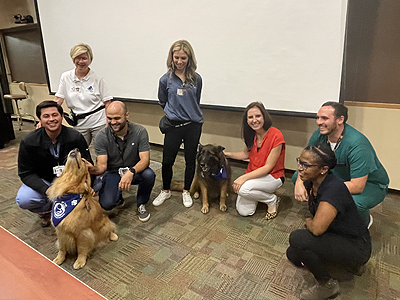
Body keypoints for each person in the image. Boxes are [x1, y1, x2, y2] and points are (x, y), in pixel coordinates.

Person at [287, 143, 371, 300]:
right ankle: (343, 267)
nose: (300, 168)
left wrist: (308, 221)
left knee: (297, 238)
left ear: (323, 169)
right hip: (335, 234)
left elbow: (317, 229)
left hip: (357, 246)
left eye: (306, 165)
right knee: (293, 253)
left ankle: (328, 285)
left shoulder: (334, 189)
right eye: (300, 161)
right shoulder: (311, 182)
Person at [292, 101, 389, 227]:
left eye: (325, 118)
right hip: (338, 177)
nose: (318, 122)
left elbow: (357, 186)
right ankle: (326, 213)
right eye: (318, 117)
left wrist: (324, 191)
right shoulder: (320, 134)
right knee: (297, 177)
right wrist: (299, 182)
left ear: (340, 119)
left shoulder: (358, 145)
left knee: (352, 202)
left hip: (369, 184)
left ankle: (364, 221)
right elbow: (306, 161)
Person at [16, 101, 92, 227]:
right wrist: (47, 189)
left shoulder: (75, 137)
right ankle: (47, 212)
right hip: (45, 181)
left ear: (62, 117)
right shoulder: (28, 142)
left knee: (98, 185)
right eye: (46, 116)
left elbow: (87, 164)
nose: (51, 119)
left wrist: (87, 186)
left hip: (71, 181)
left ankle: (70, 211)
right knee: (24, 199)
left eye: (55, 115)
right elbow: (25, 173)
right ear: (39, 119)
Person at [152, 40, 203, 208]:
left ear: (189, 58)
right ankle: (165, 190)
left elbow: (196, 101)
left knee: (190, 160)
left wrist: (187, 112)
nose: (180, 62)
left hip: (193, 125)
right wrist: (174, 112)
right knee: (167, 161)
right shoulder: (165, 80)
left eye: (183, 58)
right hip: (173, 125)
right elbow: (162, 100)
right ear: (171, 58)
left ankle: (186, 191)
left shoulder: (196, 79)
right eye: (176, 58)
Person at [89, 101, 155, 222]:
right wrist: (92, 169)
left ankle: (141, 203)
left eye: (117, 118)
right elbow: (102, 166)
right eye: (109, 118)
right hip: (113, 172)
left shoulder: (140, 131)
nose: (113, 122)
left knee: (149, 175)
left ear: (127, 115)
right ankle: (117, 198)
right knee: (107, 204)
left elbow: (145, 160)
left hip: (134, 170)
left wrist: (131, 172)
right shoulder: (101, 136)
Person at [224, 102, 285, 219]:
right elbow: (245, 154)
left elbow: (268, 167)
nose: (254, 120)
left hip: (273, 176)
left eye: (258, 116)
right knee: (244, 211)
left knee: (242, 188)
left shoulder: (276, 135)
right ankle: (259, 194)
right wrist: (226, 154)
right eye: (250, 117)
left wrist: (243, 178)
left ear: (264, 117)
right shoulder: (251, 134)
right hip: (254, 174)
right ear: (246, 120)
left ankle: (271, 200)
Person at [54, 43, 113, 146]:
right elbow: (58, 99)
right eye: (78, 58)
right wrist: (47, 115)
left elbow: (107, 102)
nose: (81, 61)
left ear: (90, 60)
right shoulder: (66, 77)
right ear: (73, 59)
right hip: (79, 123)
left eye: (84, 58)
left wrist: (109, 121)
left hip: (98, 122)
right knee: (78, 153)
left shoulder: (98, 78)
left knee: (102, 151)